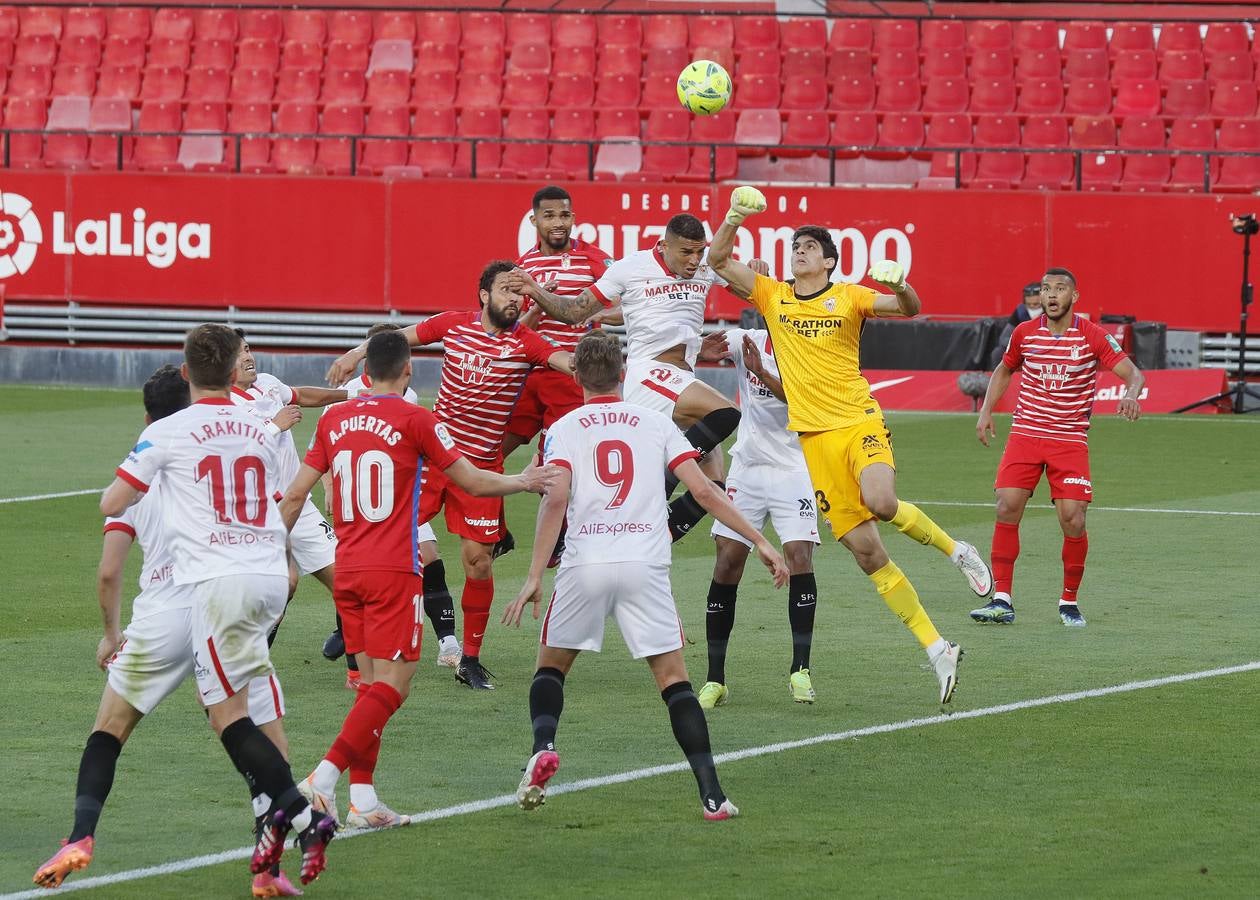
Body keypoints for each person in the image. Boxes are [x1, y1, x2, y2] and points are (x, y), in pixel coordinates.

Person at [707, 185, 994, 704]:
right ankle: (937, 649)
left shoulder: (852, 297)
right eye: (796, 245)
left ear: (830, 261)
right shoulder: (773, 295)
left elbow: (909, 308)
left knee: (882, 503)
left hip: (858, 419)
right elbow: (718, 259)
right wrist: (732, 218)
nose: (800, 251)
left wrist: (902, 284)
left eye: (811, 246)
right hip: (814, 442)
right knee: (867, 554)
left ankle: (959, 551)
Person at [32, 367, 302, 897]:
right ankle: (269, 865)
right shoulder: (227, 440)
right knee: (256, 731)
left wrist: (111, 635)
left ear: (146, 413)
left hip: (159, 612)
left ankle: (80, 837)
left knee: (109, 729)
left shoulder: (147, 455)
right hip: (220, 601)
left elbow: (110, 567)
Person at [502, 330, 789, 820]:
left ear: (577, 377)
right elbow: (704, 491)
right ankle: (713, 796)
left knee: (551, 669)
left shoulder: (564, 428)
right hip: (644, 565)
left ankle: (543, 747)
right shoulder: (655, 424)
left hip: (585, 564)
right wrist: (760, 539)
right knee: (675, 682)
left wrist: (533, 575)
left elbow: (554, 499)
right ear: (623, 374)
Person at [282, 329, 556, 827]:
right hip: (393, 569)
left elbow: (296, 495)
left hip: (346, 566)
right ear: (409, 370)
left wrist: (265, 547)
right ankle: (323, 777)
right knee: (396, 685)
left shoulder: (335, 419)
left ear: (367, 373)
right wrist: (523, 480)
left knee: (370, 686)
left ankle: (363, 801)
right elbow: (470, 479)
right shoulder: (418, 419)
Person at [98, 325, 335, 886]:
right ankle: (282, 837)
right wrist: (283, 563)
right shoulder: (251, 428)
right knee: (245, 719)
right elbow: (268, 504)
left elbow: (112, 549)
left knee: (228, 720)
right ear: (229, 372)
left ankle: (298, 820)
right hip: (245, 591)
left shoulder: (166, 445)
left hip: (196, 604)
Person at [326, 261, 574, 691]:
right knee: (380, 536)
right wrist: (354, 353)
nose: (514, 299)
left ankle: (471, 659)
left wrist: (599, 361)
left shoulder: (526, 342)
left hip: (481, 467)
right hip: (431, 459)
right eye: (505, 290)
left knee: (477, 563)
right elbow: (395, 338)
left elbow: (565, 360)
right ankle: (354, 632)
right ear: (483, 294)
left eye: (520, 293)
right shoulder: (453, 325)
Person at [506, 213, 745, 542]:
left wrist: (755, 272)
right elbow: (575, 311)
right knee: (726, 413)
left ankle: (648, 538)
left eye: (699, 251)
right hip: (650, 376)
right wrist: (533, 289)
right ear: (663, 246)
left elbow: (747, 285)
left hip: (681, 381)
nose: (694, 261)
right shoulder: (631, 268)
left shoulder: (706, 265)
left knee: (714, 488)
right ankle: (658, 485)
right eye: (686, 253)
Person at [973, 268, 1144, 627]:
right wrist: (986, 410)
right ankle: (1002, 599)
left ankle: (1069, 601)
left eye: (1060, 289)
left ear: (1074, 297)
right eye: (1046, 289)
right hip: (1025, 434)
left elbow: (1133, 374)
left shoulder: (1093, 336)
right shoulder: (1024, 334)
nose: (1051, 295)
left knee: (1073, 519)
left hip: (1068, 439)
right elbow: (1005, 370)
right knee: (1006, 506)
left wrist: (1130, 395)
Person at [693, 327, 822, 708]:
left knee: (799, 555)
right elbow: (703, 347)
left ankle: (800, 669)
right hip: (747, 468)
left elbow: (803, 402)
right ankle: (715, 679)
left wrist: (762, 373)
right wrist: (696, 344)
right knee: (728, 561)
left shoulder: (812, 347)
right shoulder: (743, 338)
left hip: (793, 469)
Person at [322, 322, 462, 671]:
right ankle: (350, 633)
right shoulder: (347, 395)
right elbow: (323, 450)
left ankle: (447, 640)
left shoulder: (409, 396)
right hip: (363, 502)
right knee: (361, 569)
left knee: (428, 557)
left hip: (401, 500)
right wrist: (329, 489)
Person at [496, 184, 614, 562]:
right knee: (489, 450)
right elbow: (514, 328)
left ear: (574, 218)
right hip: (529, 374)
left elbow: (630, 306)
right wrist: (536, 310)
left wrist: (587, 312)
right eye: (549, 216)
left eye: (564, 215)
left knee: (560, 462)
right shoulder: (522, 267)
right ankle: (497, 531)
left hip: (569, 375)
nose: (558, 223)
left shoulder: (596, 260)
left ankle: (562, 539)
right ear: (534, 220)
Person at [229, 330, 354, 682]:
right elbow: (236, 453)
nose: (249, 357)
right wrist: (273, 426)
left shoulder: (267, 383)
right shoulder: (224, 406)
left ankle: (356, 669)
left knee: (346, 580)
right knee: (284, 585)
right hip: (257, 514)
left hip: (298, 503)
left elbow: (302, 395)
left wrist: (352, 393)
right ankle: (247, 661)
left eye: (249, 349)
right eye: (239, 354)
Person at [990, 282, 1045, 369]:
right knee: (997, 353)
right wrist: (1022, 345)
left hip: (1045, 348)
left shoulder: (1051, 312)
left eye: (1036, 305)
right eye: (1029, 305)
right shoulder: (1020, 312)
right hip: (1022, 348)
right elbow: (1004, 338)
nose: (1032, 308)